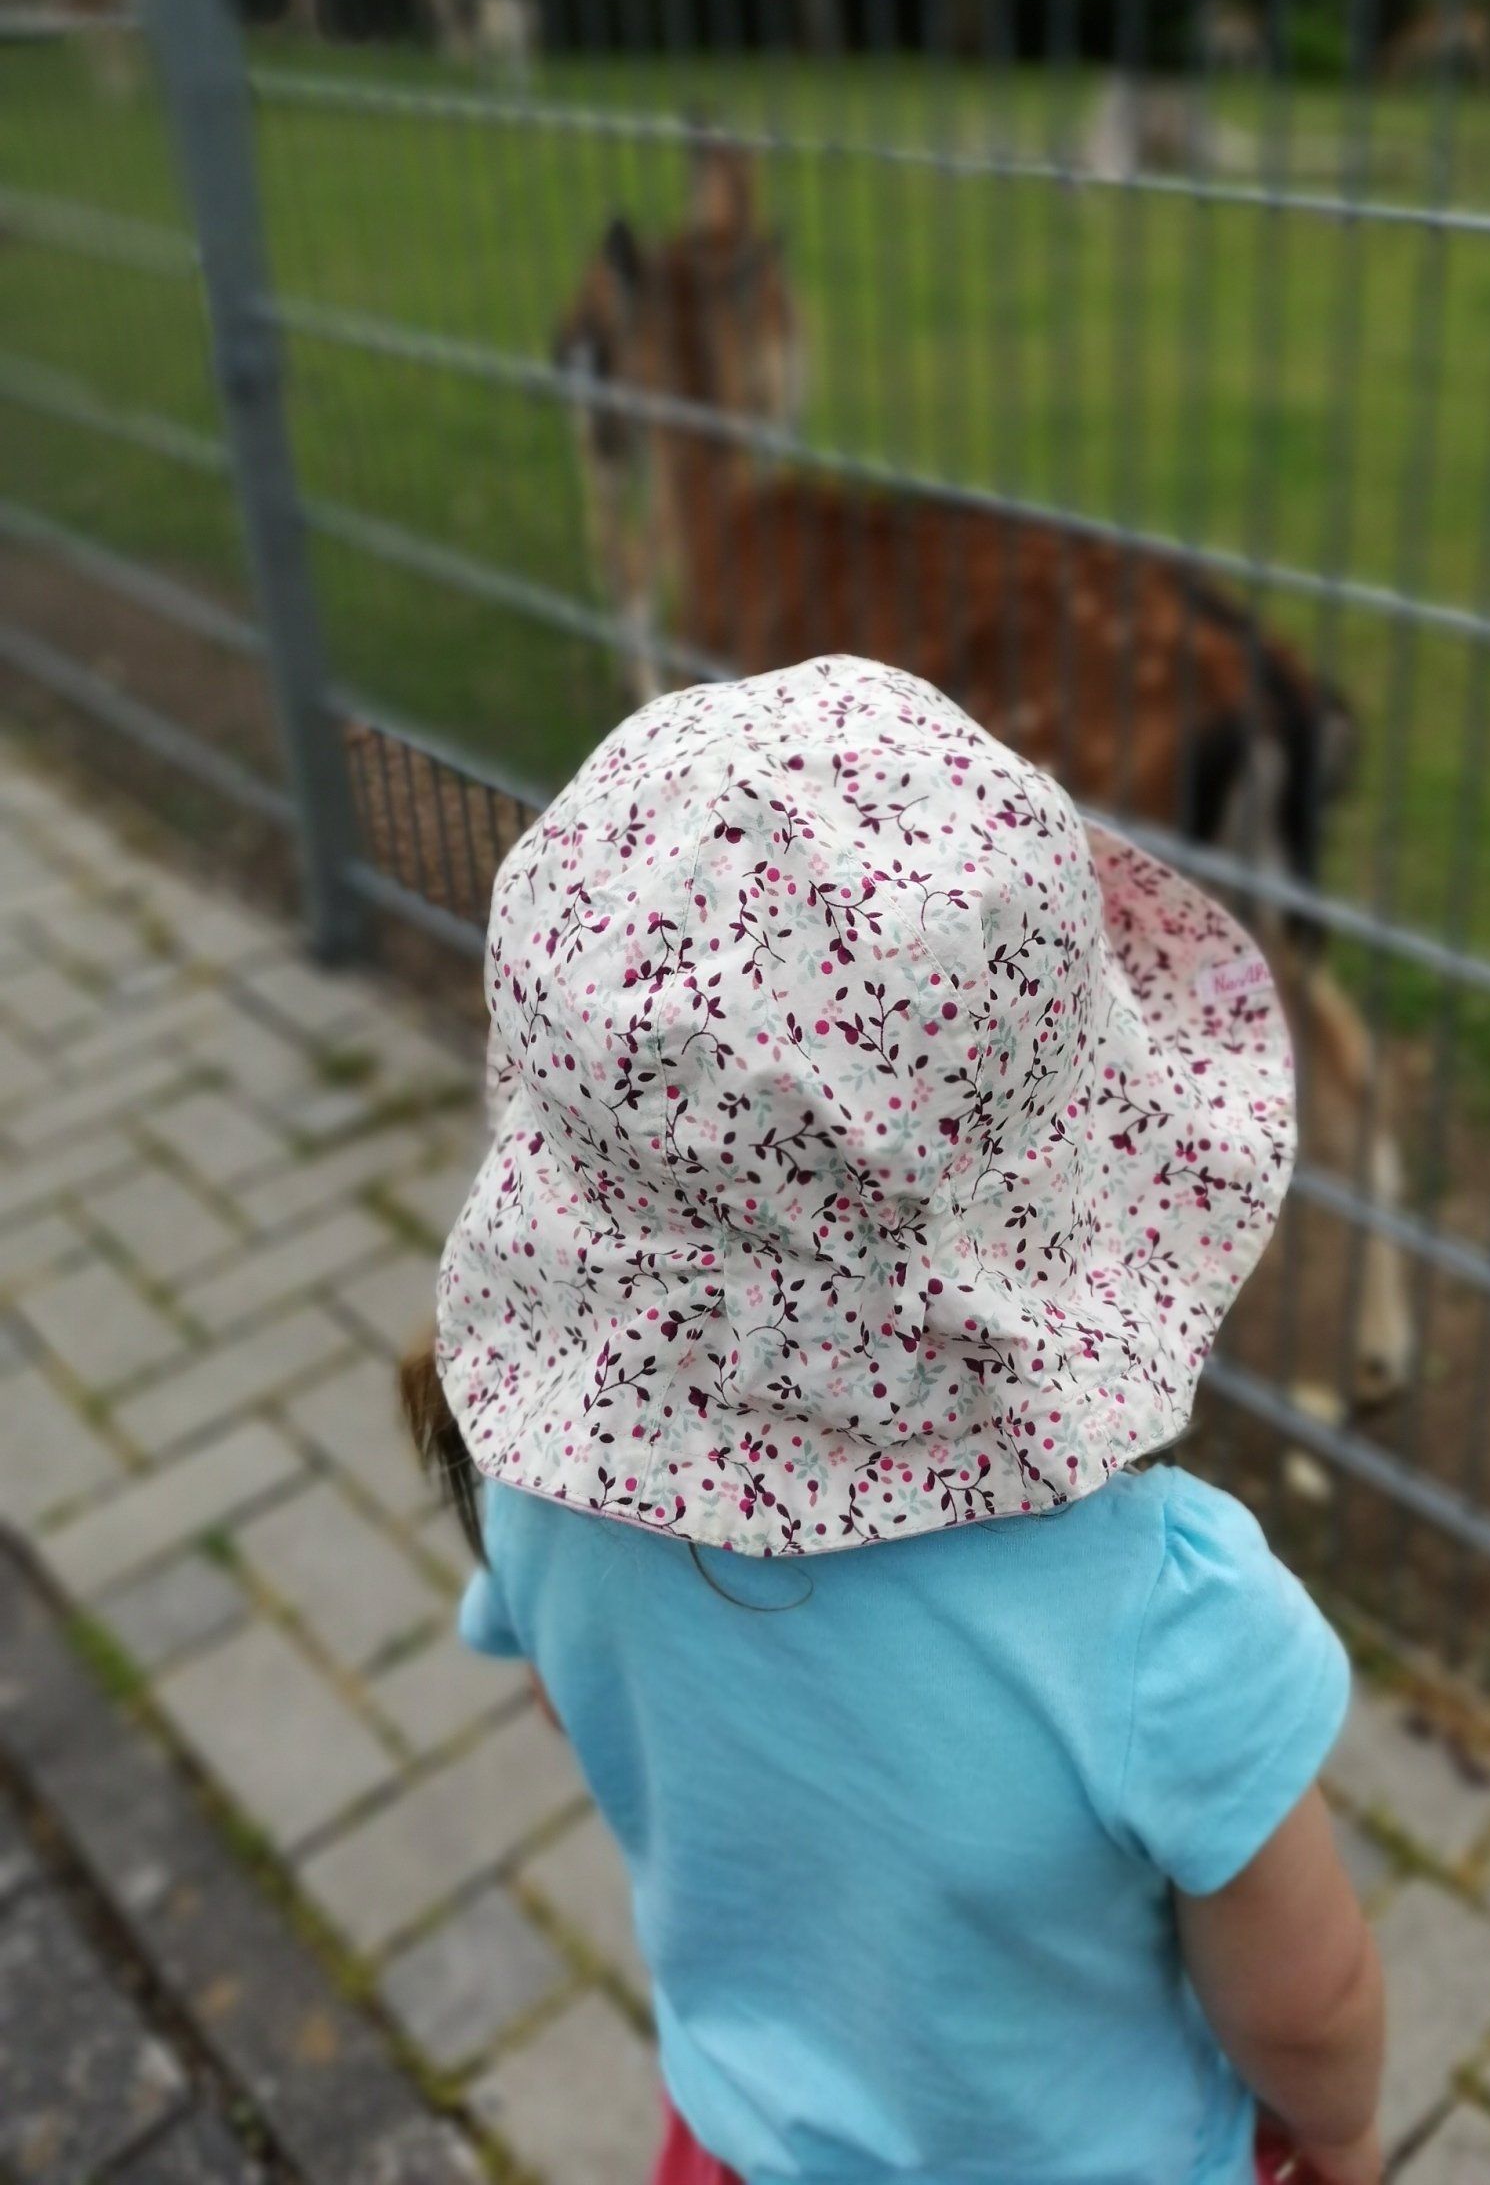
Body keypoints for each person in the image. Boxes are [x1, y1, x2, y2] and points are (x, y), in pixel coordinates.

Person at [401, 654, 1384, 2185]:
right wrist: (1342, 2132)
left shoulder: (543, 1489)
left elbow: (584, 1706)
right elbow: (1308, 2007)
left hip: (734, 2144)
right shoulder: (1166, 1619)